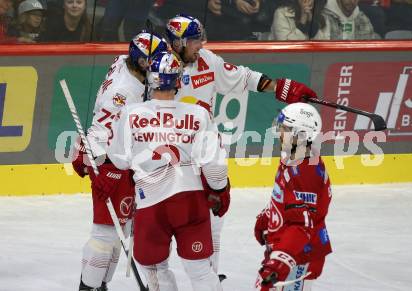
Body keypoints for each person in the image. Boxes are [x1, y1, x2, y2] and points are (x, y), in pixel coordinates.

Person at [165, 14, 317, 277]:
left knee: (214, 218)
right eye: (193, 42)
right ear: (176, 44)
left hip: (205, 156)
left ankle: (211, 276)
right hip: (167, 159)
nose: (199, 46)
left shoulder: (208, 61)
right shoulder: (159, 69)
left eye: (200, 40)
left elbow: (244, 78)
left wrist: (282, 87)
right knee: (164, 225)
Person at [107, 51, 230, 291]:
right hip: (190, 203)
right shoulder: (199, 114)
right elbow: (215, 173)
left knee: (154, 269)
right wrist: (220, 190)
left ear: (151, 78)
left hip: (151, 206)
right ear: (178, 80)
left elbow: (119, 161)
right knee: (201, 270)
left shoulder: (131, 114)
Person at [71, 31, 168, 291]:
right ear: (142, 62)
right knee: (105, 233)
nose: (159, 65)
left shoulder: (124, 62)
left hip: (120, 159)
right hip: (107, 161)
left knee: (120, 231)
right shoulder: (123, 92)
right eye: (155, 60)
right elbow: (102, 128)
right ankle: (88, 287)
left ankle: (100, 284)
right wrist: (99, 166)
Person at [254, 102, 332, 291]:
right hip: (287, 251)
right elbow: (285, 198)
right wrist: (269, 217)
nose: (280, 132)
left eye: (285, 128)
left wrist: (280, 262)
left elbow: (302, 226)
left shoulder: (306, 173)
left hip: (299, 258)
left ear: (302, 134)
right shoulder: (293, 157)